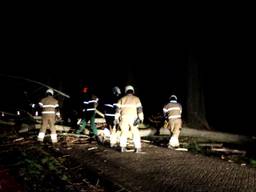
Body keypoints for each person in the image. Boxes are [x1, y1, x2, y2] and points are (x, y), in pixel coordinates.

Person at [115, 85, 144, 153]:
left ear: (126, 91)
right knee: (135, 133)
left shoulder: (121, 99)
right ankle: (137, 148)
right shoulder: (136, 99)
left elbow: (117, 110)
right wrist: (141, 118)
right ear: (133, 91)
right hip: (133, 119)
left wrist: (116, 118)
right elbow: (139, 109)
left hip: (124, 118)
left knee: (123, 133)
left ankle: (122, 147)